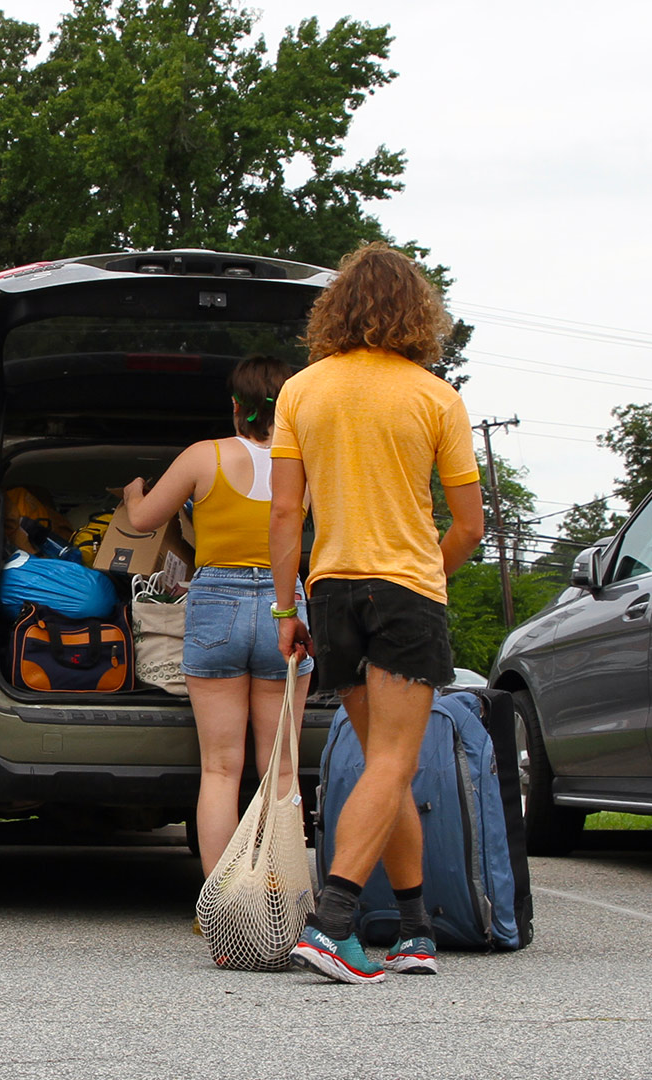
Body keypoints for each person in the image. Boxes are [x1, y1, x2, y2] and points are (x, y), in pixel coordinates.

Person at [268, 242, 485, 984]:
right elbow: (468, 525)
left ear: (336, 309)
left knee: (381, 768)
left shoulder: (300, 391)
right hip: (405, 594)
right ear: (417, 311)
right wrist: (430, 572)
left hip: (328, 593)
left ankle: (417, 929)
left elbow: (287, 511)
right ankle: (331, 924)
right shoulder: (435, 396)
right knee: (393, 760)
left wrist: (282, 607)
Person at [122, 356, 315, 883]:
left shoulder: (202, 457)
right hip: (284, 608)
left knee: (221, 769)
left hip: (216, 607)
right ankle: (278, 900)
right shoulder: (306, 462)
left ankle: (222, 912)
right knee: (280, 771)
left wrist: (132, 492)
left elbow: (141, 520)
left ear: (235, 407)